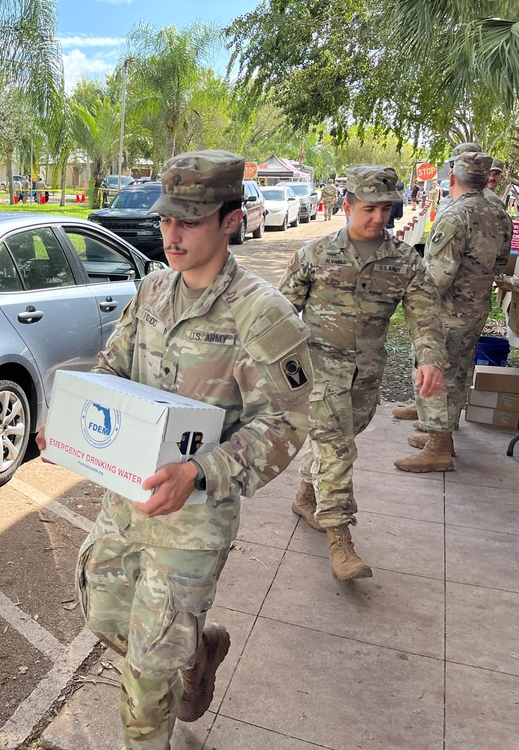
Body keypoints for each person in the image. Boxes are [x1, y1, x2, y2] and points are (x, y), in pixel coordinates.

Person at [37, 150, 312, 749]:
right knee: (105, 617)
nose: (172, 233)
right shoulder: (152, 291)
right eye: (166, 219)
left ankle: (165, 683)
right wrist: (68, 425)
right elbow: (110, 369)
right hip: (125, 504)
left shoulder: (262, 315)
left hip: (193, 521)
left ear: (231, 220)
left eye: (190, 220)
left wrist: (201, 471)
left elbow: (287, 425)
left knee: (145, 673)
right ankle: (196, 653)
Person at [279, 165, 446, 580]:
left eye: (386, 209)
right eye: (369, 208)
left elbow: (424, 316)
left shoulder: (406, 260)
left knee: (337, 441)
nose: (378, 217)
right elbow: (280, 313)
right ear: (348, 206)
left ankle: (305, 496)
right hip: (318, 371)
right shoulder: (315, 254)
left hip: (367, 373)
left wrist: (428, 359)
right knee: (338, 448)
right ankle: (340, 539)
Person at [394, 152, 513, 472]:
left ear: (452, 179)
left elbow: (437, 276)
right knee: (459, 371)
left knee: (437, 375)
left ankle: (438, 447)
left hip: (446, 310)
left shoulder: (455, 215)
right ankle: (441, 435)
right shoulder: (498, 213)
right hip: (475, 307)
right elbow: (502, 262)